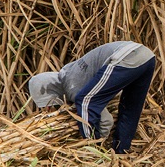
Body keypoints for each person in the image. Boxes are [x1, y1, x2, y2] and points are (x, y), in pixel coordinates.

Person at [27, 40, 157, 154]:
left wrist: (97, 144)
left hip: (126, 56)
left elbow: (105, 119)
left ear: (52, 92)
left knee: (83, 100)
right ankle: (121, 152)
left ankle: (92, 150)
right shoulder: (70, 72)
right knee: (130, 109)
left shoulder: (72, 87)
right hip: (146, 57)